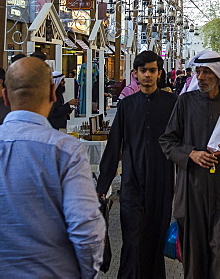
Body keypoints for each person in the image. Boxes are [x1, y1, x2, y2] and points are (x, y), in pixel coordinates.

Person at [0, 57, 105, 276]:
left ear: (5, 96)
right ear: (53, 93)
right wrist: (85, 272)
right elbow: (85, 228)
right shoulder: (66, 151)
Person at [159, 50, 220, 278]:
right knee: (196, 261)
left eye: (206, 72)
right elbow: (167, 141)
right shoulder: (185, 103)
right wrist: (191, 154)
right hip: (193, 191)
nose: (200, 77)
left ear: (219, 75)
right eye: (198, 71)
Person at [97, 51, 178, 278]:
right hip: (132, 184)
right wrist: (102, 188)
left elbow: (181, 143)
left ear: (159, 74)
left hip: (162, 183)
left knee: (155, 238)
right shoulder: (127, 106)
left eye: (152, 71)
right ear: (135, 74)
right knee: (132, 239)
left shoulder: (172, 104)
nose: (147, 75)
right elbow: (114, 146)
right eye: (143, 71)